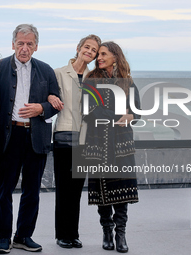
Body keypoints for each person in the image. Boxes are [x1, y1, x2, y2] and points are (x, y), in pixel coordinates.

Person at [0, 24, 61, 254]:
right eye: (20, 43)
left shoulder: (46, 70)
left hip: (36, 137)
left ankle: (23, 235)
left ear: (36, 46)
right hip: (9, 137)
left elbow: (56, 104)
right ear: (12, 44)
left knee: (32, 191)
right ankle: (3, 236)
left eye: (29, 44)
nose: (24, 48)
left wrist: (41, 108)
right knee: (4, 189)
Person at [82, 41, 140, 253]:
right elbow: (89, 110)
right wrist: (118, 114)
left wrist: (131, 114)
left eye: (104, 54)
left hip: (121, 144)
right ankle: (107, 231)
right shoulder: (91, 79)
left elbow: (138, 111)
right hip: (98, 142)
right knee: (103, 193)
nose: (99, 58)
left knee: (121, 192)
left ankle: (121, 233)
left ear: (116, 56)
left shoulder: (127, 82)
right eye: (99, 54)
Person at [49, 35, 101, 249]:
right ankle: (62, 234)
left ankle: (73, 233)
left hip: (86, 138)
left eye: (94, 50)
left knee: (76, 189)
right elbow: (49, 96)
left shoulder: (95, 76)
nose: (89, 51)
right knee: (63, 188)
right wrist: (50, 98)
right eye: (86, 47)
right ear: (78, 48)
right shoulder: (59, 73)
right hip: (64, 135)